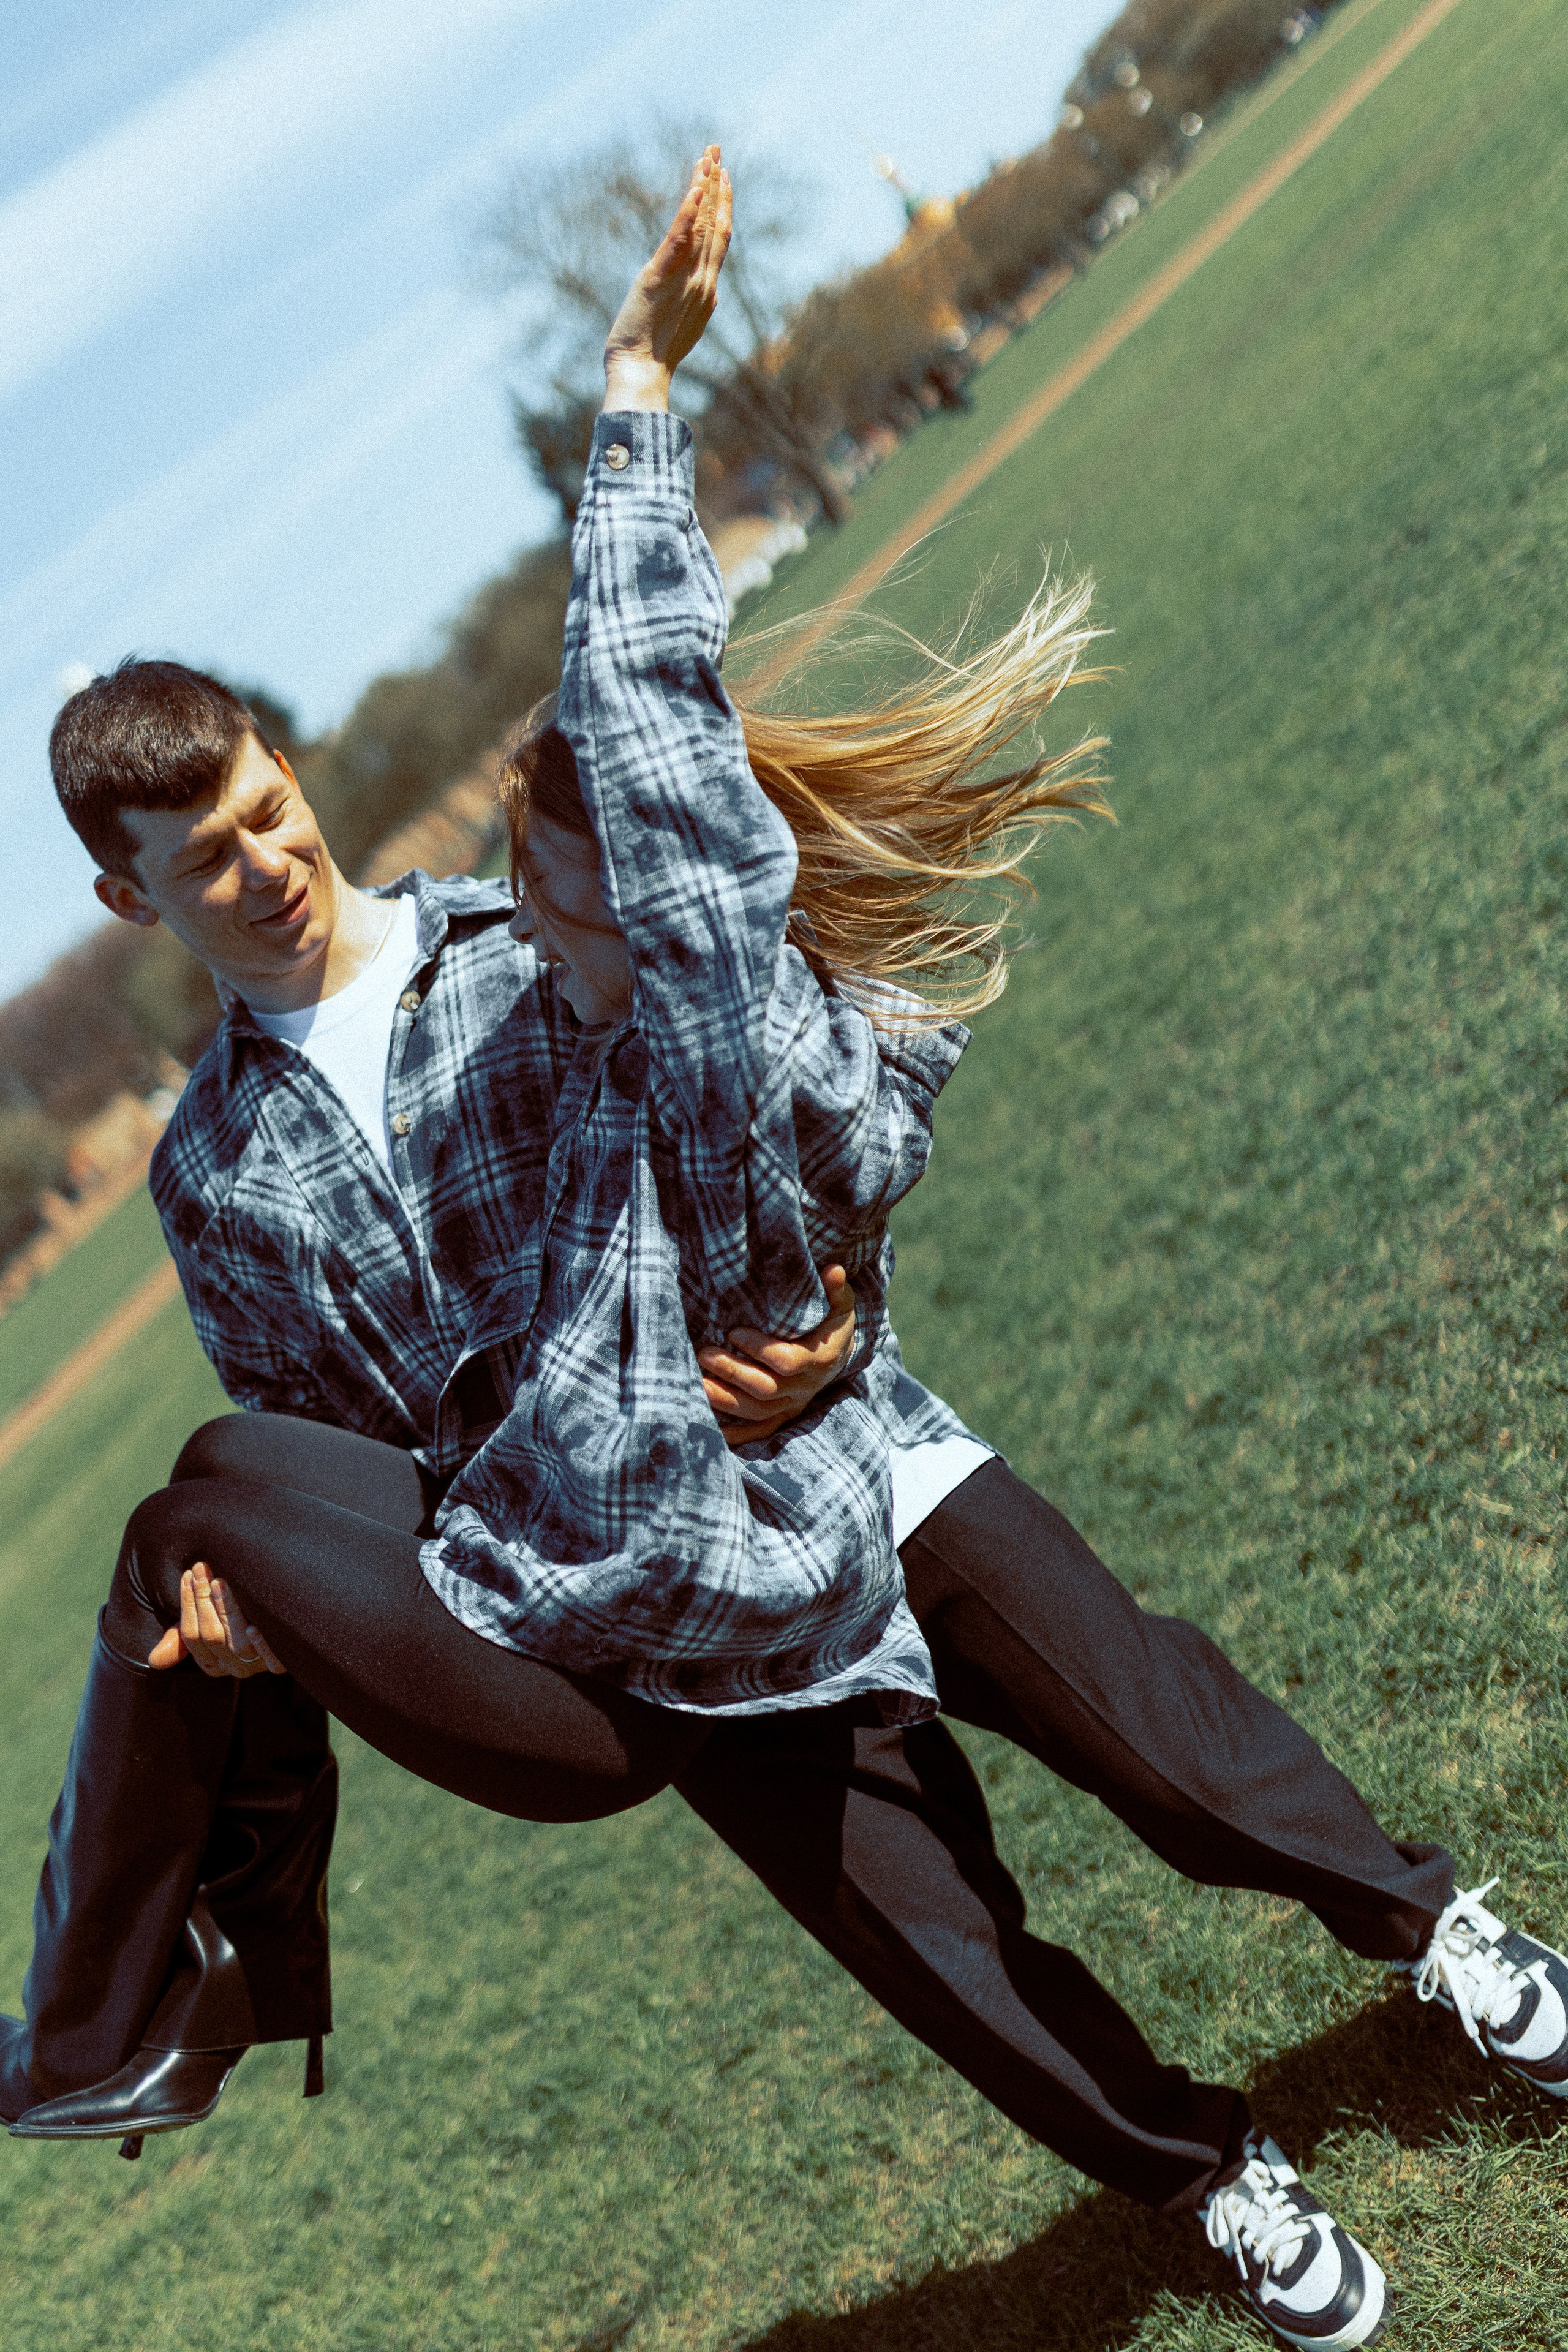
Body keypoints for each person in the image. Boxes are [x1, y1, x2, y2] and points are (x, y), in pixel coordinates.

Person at [8, 152, 1565, 2352]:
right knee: (943, 1954)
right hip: (661, 1605)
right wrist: (268, 1615)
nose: (263, 864)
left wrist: (837, 1318)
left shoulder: (515, 939)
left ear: (292, 773)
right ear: (127, 903)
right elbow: (353, 1479)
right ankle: (1214, 2180)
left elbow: (748, 1077)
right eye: (205, 857)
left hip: (854, 1450)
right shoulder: (208, 1189)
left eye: (270, 806)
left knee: (1176, 1744)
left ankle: (1442, 1940)